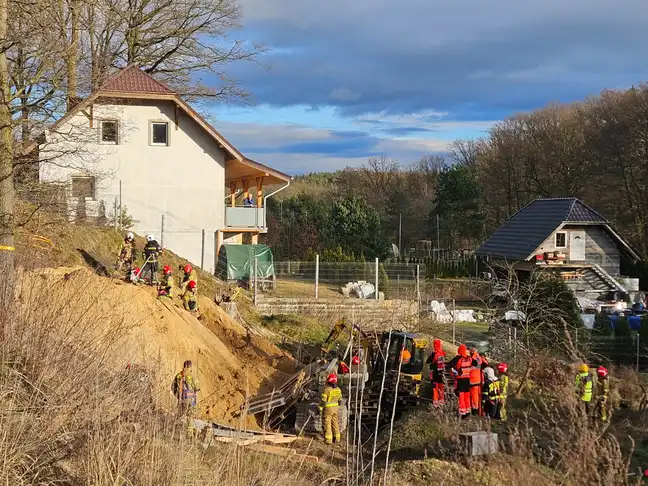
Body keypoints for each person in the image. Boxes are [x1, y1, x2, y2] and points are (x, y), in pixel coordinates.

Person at [172, 360, 201, 437]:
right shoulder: (192, 375)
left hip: (182, 399)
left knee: (179, 415)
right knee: (190, 416)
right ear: (190, 367)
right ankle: (189, 434)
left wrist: (177, 396)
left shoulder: (178, 375)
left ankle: (175, 430)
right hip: (191, 400)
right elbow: (197, 388)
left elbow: (173, 387)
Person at [447, 344, 474, 418]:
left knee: (461, 396)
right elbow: (476, 363)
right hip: (467, 379)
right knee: (467, 395)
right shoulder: (469, 358)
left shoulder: (458, 358)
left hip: (460, 379)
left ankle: (462, 412)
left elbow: (449, 364)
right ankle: (467, 411)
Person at [320, 373, 343, 445]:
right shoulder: (338, 389)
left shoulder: (326, 390)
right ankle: (337, 438)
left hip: (328, 409)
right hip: (336, 409)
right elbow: (340, 400)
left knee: (327, 423)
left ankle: (328, 440)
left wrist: (319, 408)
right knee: (335, 423)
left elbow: (323, 401)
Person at [426, 339, 446, 406]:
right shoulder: (443, 353)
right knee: (441, 387)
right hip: (442, 373)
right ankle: (441, 401)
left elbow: (428, 361)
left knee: (435, 388)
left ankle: (435, 403)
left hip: (435, 373)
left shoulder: (434, 354)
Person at [469, 347, 484, 415]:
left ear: (471, 352)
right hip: (478, 380)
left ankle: (473, 410)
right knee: (476, 396)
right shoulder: (479, 358)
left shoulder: (472, 358)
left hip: (472, 379)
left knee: (472, 396)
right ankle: (476, 409)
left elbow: (470, 368)